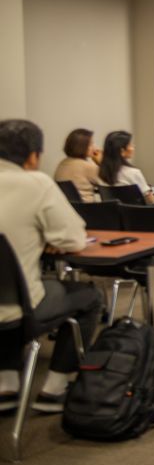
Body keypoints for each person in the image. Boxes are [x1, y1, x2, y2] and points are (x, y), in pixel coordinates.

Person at [0, 119, 102, 414]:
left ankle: (6, 384)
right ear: (34, 156)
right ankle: (54, 389)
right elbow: (73, 239)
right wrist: (49, 239)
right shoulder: (36, 183)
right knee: (89, 297)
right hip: (19, 308)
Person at [98, 130, 154, 204]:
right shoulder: (133, 173)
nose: (133, 147)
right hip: (137, 214)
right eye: (130, 145)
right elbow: (150, 200)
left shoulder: (101, 173)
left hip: (113, 214)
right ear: (122, 150)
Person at [53, 128, 101, 203]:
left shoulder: (62, 163)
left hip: (69, 209)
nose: (95, 148)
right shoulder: (87, 166)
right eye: (91, 144)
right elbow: (108, 182)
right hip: (89, 210)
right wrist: (100, 162)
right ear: (81, 146)